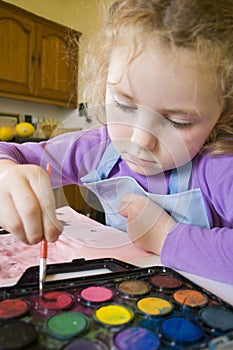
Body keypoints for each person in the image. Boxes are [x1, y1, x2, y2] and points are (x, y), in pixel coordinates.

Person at [0, 0, 233, 284]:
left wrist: (165, 239)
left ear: (223, 112)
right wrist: (5, 173)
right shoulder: (97, 149)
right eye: (125, 104)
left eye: (178, 121)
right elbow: (8, 152)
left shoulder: (220, 165)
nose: (140, 140)